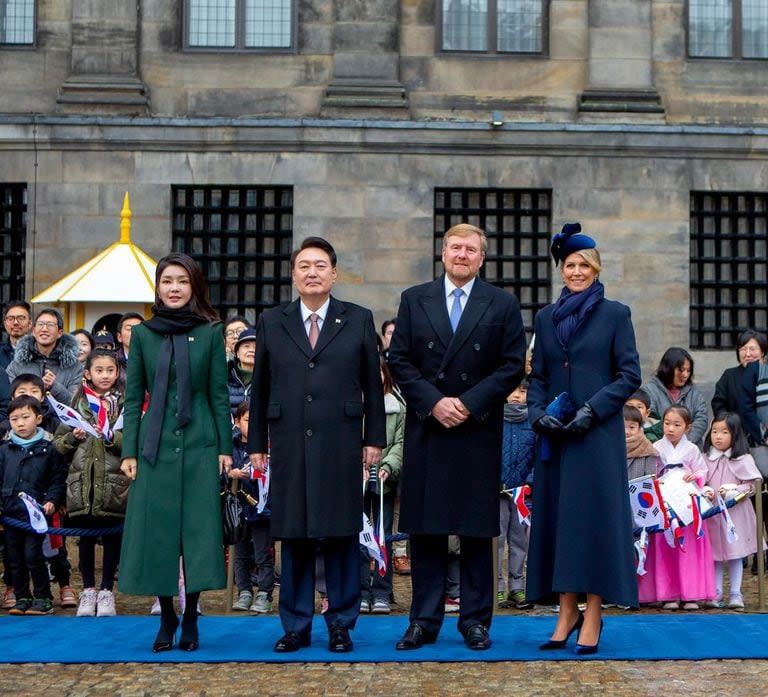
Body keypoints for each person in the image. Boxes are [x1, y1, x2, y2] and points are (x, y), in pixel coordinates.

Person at [388, 222, 525, 651]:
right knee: (426, 528)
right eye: (455, 247)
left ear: (481, 258)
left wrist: (467, 402)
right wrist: (434, 402)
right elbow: (400, 360)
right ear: (442, 253)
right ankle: (423, 620)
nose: (462, 255)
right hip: (429, 426)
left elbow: (511, 364)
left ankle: (475, 620)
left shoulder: (501, 303)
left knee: (475, 530)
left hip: (476, 428)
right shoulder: (415, 299)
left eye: (470, 249)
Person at [247, 236, 385, 654]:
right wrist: (257, 443)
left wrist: (373, 438)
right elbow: (262, 384)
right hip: (288, 440)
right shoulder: (273, 320)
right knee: (295, 535)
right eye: (304, 265)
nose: (312, 272)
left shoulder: (357, 318)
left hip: (341, 441)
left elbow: (373, 387)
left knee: (342, 534)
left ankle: (341, 623)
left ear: (334, 273)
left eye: (320, 265)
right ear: (294, 274)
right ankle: (295, 624)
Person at [526, 223, 641, 656]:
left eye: (584, 266)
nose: (576, 271)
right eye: (570, 265)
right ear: (562, 270)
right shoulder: (545, 318)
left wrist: (593, 409)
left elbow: (629, 373)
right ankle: (565, 610)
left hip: (596, 436)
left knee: (593, 523)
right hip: (556, 437)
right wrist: (538, 414)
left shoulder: (615, 314)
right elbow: (537, 375)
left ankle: (592, 613)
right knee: (559, 523)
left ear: (596, 270)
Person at [118, 253, 232, 652]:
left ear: (194, 286)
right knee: (160, 533)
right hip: (155, 444)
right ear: (158, 286)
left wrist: (224, 447)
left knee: (198, 533)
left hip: (201, 441)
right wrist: (129, 449)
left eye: (182, 281)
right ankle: (166, 615)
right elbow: (133, 398)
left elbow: (219, 394)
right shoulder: (145, 334)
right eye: (168, 280)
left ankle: (192, 615)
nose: (175, 288)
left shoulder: (211, 332)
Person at [53, 349, 128, 618]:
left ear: (117, 372)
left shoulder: (125, 405)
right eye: (99, 370)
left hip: (114, 483)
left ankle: (107, 590)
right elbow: (58, 445)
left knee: (111, 538)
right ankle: (87, 590)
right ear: (88, 374)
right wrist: (73, 437)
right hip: (82, 484)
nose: (105, 375)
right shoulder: (77, 404)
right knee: (84, 541)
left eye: (110, 370)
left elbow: (134, 442)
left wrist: (111, 437)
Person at [637, 405, 716, 610]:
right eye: (667, 423)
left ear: (687, 427)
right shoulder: (656, 447)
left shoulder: (691, 449)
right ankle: (667, 593)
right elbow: (650, 471)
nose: (670, 428)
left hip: (685, 499)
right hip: (665, 497)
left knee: (687, 544)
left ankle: (690, 594)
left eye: (677, 424)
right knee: (665, 544)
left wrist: (696, 476)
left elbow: (702, 471)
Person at [0, 395, 67, 615]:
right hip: (10, 514)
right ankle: (22, 597)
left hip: (37, 515)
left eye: (25, 417)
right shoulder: (4, 450)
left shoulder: (49, 449)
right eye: (14, 418)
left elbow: (58, 479)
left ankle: (43, 597)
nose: (20, 423)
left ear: (38, 418)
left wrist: (52, 501)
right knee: (14, 559)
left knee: (33, 555)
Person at [702, 412, 763, 610]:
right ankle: (716, 591)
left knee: (735, 554)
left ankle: (736, 592)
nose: (718, 436)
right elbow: (700, 480)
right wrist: (706, 490)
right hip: (713, 514)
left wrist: (734, 490)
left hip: (735, 514)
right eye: (715, 431)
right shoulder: (707, 458)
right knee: (715, 554)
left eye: (724, 432)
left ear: (735, 435)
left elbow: (753, 484)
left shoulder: (742, 459)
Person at [360, 358, 404, 616]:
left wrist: (388, 465)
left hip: (385, 482)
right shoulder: (352, 405)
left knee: (383, 535)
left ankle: (382, 592)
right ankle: (361, 591)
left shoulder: (397, 407)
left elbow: (401, 441)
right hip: (358, 481)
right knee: (359, 537)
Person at [229, 401, 274, 614]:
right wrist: (231, 474)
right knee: (240, 554)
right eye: (247, 420)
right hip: (238, 509)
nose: (252, 425)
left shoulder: (269, 447)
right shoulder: (232, 445)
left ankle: (265, 592)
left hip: (262, 509)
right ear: (237, 422)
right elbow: (220, 470)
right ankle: (244, 591)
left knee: (263, 553)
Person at [497, 379, 535, 610]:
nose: (516, 395)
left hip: (523, 494)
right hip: (499, 493)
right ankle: (498, 587)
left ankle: (517, 586)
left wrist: (530, 482)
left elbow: (540, 454)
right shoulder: (495, 420)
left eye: (522, 391)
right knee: (497, 540)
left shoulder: (533, 421)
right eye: (512, 389)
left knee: (520, 540)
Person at [6, 308, 83, 403]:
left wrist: (54, 386)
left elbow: (75, 403)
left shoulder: (75, 367)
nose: (44, 329)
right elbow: (8, 398)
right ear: (33, 331)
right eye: (40, 324)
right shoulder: (17, 364)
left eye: (50, 325)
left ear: (59, 333)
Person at [641, 347, 709, 448]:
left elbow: (701, 419)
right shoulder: (649, 390)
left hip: (690, 451)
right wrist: (669, 444)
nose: (685, 375)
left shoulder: (694, 392)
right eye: (681, 370)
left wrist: (684, 443)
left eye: (688, 371)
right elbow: (651, 420)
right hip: (660, 451)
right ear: (668, 368)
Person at [711, 330, 767, 416]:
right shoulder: (729, 376)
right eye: (743, 349)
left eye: (752, 349)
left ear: (762, 352)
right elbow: (719, 405)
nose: (748, 354)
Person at [624, 405, 658, 480]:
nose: (627, 432)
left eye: (632, 427)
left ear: (639, 428)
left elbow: (651, 479)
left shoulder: (648, 449)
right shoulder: (608, 447)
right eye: (622, 426)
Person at [227, 326, 256, 414]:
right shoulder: (225, 376)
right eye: (246, 346)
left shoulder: (268, 379)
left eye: (256, 346)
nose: (251, 350)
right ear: (237, 353)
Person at [0, 301, 32, 372]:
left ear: (30, 324)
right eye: (10, 318)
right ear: (5, 324)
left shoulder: (39, 352)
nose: (15, 322)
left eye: (20, 318)